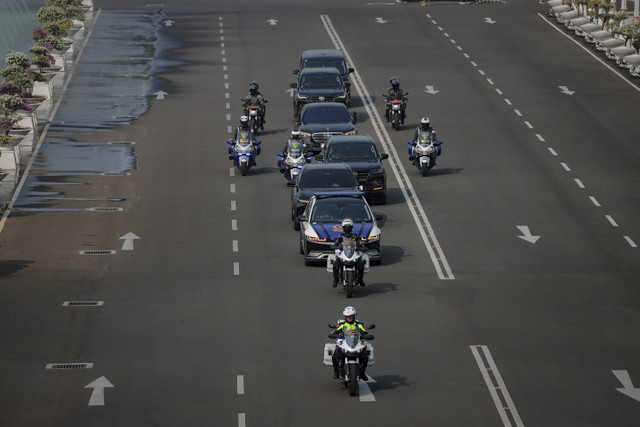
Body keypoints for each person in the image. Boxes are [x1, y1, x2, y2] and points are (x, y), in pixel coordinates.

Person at [331, 306, 371, 381]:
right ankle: (336, 371)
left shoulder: (359, 324)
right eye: (347, 316)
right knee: (334, 355)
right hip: (344, 342)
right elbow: (336, 331)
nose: (349, 318)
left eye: (351, 316)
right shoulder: (342, 324)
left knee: (366, 354)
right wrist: (333, 334)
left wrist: (368, 335)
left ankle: (362, 372)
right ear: (345, 317)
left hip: (356, 342)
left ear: (354, 316)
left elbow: (364, 331)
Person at [332, 219, 366, 288]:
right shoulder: (341, 236)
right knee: (335, 264)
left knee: (361, 264)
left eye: (349, 227)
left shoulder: (355, 236)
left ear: (352, 228)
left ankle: (360, 279)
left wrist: (362, 247)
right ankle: (336, 279)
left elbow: (360, 243)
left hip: (354, 253)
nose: (347, 229)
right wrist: (335, 246)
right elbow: (336, 243)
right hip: (343, 253)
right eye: (345, 227)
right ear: (343, 228)